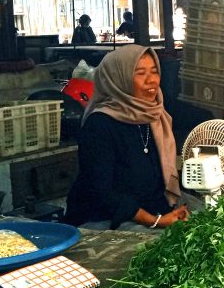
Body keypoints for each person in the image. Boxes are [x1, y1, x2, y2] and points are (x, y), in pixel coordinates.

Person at [63, 46, 189, 231]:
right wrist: (156, 221)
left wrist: (172, 212)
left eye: (154, 71)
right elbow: (102, 193)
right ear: (118, 79)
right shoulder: (99, 125)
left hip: (150, 209)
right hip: (105, 217)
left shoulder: (153, 115)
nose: (151, 80)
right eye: (140, 73)